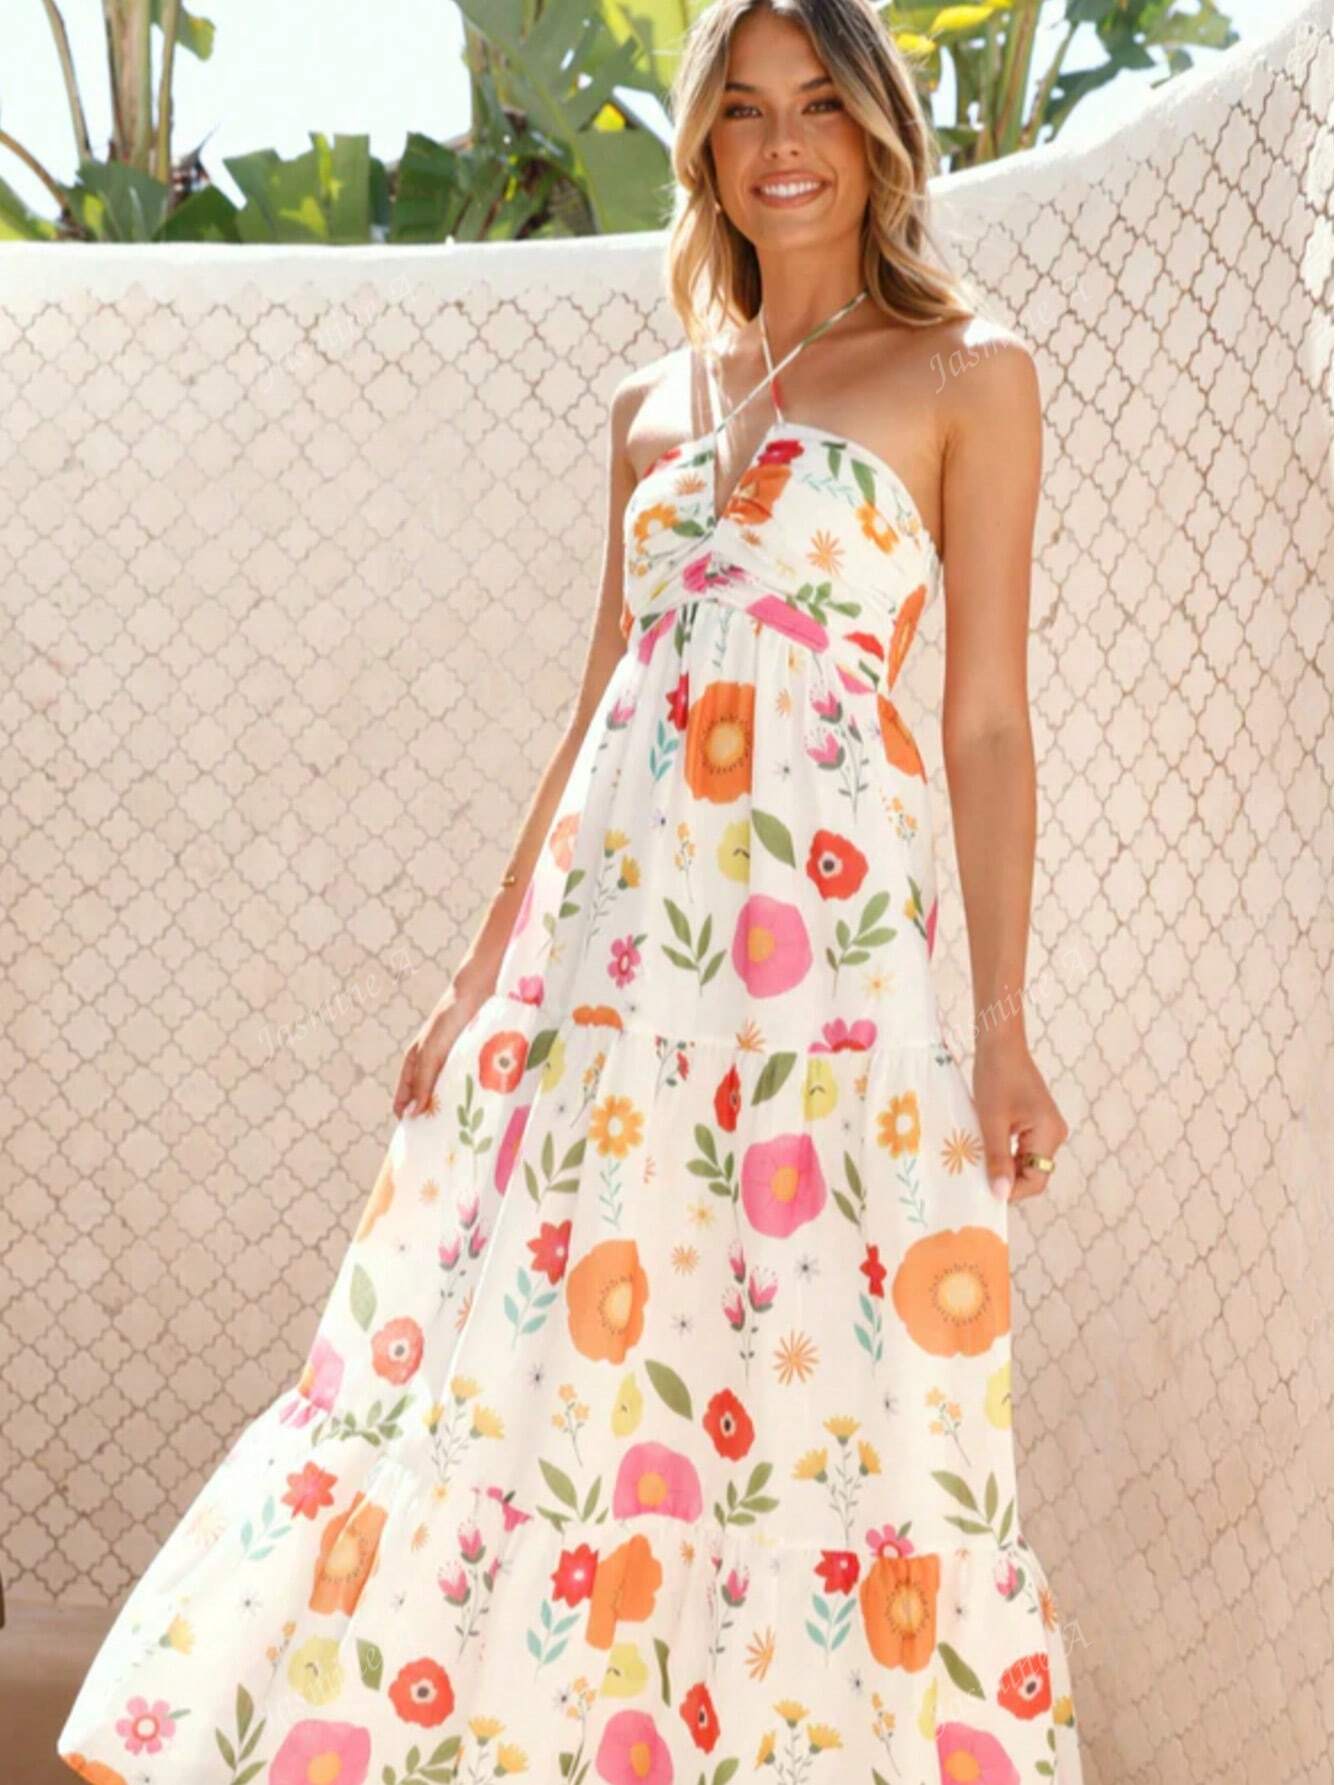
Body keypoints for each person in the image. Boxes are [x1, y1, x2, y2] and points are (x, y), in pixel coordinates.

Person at [59, 1, 1085, 1779]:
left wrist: (1001, 1024)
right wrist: (476, 982)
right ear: (706, 146)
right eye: (745, 109)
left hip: (824, 978)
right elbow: (601, 708)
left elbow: (985, 718)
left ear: (875, 134)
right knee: (570, 1370)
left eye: (819, 106)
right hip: (611, 971)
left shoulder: (966, 373)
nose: (783, 144)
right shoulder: (649, 407)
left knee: (809, 1370)